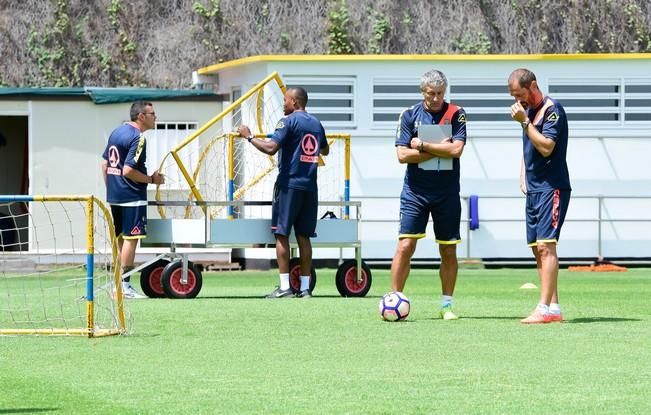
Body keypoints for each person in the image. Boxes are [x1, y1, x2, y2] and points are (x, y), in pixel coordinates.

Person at [237, 87, 329, 298]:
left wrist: (249, 137)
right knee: (304, 236)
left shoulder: (287, 122)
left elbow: (271, 148)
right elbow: (325, 149)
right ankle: (305, 289)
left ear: (295, 102)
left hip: (289, 185)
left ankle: (285, 287)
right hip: (310, 186)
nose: (283, 103)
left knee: (281, 234)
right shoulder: (316, 123)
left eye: (286, 100)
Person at [391, 69, 467, 320]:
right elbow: (403, 155)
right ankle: (394, 298)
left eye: (440, 93)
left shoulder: (456, 113)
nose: (436, 98)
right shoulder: (409, 115)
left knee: (448, 250)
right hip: (415, 192)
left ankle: (447, 305)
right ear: (422, 92)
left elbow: (456, 150)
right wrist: (440, 149)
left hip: (446, 193)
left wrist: (423, 145)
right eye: (431, 93)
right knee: (405, 245)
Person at [508, 68, 571, 324]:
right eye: (513, 96)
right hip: (534, 189)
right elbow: (529, 147)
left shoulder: (552, 110)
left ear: (533, 86)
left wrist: (524, 121)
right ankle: (553, 308)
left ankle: (543, 308)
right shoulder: (529, 113)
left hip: (551, 187)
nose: (517, 101)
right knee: (537, 249)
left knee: (547, 246)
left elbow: (546, 147)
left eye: (520, 94)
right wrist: (523, 173)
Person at [102, 101, 165, 299]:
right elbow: (128, 170)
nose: (156, 117)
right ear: (141, 116)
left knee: (121, 239)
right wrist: (151, 180)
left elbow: (105, 164)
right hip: (131, 196)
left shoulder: (116, 132)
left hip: (115, 196)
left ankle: (118, 286)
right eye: (152, 113)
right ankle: (125, 286)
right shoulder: (138, 138)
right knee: (131, 239)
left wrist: (112, 189)